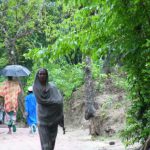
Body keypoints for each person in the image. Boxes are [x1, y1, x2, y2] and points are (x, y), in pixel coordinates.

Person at [33, 68, 65, 150]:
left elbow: (59, 100)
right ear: (38, 75)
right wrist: (55, 102)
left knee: (52, 142)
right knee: (46, 145)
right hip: (42, 120)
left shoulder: (52, 87)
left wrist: (57, 103)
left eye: (44, 74)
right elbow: (41, 101)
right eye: (40, 74)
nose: (42, 75)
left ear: (47, 75)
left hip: (54, 119)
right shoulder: (36, 87)